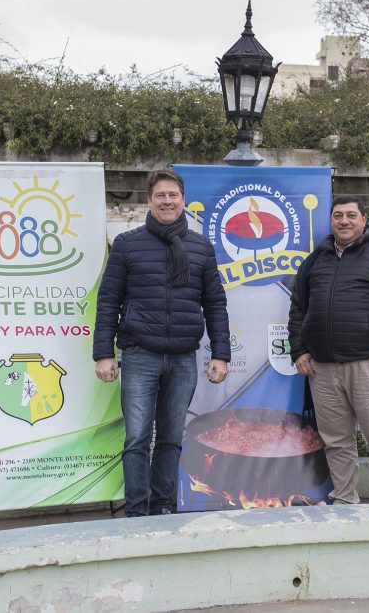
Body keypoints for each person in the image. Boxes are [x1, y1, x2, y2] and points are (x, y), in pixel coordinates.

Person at [94, 168, 230, 517]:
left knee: (171, 439)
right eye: (160, 195)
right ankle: (137, 511)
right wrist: (103, 354)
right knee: (137, 439)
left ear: (183, 200)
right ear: (149, 200)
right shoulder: (126, 244)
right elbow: (108, 300)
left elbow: (214, 302)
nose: (167, 201)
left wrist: (221, 353)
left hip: (184, 358)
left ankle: (161, 508)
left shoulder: (201, 247)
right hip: (139, 356)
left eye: (173, 195)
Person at [288, 195, 369, 504]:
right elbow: (297, 310)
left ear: (364, 220)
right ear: (331, 220)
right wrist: (299, 352)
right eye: (338, 215)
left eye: (350, 215)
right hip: (322, 369)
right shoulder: (314, 262)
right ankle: (346, 501)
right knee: (335, 442)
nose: (344, 221)